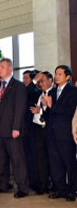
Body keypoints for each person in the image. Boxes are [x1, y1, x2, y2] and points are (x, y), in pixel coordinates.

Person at [0, 58, 29, 198]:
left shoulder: (18, 86)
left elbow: (20, 109)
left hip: (12, 129)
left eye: (3, 67)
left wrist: (16, 127)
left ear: (10, 69)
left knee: (17, 159)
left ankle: (22, 187)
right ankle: (3, 184)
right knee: (0, 158)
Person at [43, 65, 77, 202]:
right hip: (52, 133)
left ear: (68, 77)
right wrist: (45, 107)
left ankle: (72, 190)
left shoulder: (73, 91)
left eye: (60, 74)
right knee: (56, 164)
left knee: (70, 163)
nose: (56, 76)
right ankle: (60, 189)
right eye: (56, 73)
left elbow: (69, 111)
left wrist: (52, 106)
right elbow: (48, 114)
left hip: (66, 133)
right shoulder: (52, 92)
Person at [29, 71, 53, 195]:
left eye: (43, 80)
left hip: (48, 129)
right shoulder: (37, 93)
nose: (40, 83)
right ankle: (42, 185)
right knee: (39, 159)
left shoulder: (54, 93)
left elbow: (54, 113)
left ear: (50, 80)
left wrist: (42, 110)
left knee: (51, 158)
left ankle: (52, 184)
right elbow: (26, 92)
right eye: (39, 81)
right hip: (36, 129)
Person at [22, 70, 42, 192]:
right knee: (27, 157)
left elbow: (27, 93)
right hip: (24, 129)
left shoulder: (35, 91)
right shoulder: (24, 90)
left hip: (33, 129)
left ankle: (36, 182)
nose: (24, 80)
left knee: (34, 158)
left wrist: (34, 82)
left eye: (27, 78)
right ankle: (29, 181)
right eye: (23, 78)